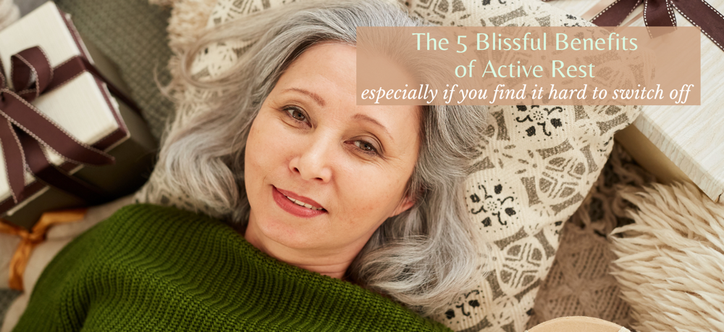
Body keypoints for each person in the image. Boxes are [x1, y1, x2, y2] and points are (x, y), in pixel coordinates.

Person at [12, 0, 488, 330]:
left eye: (365, 145)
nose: (310, 163)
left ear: (409, 193)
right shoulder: (133, 240)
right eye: (296, 114)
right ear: (254, 119)